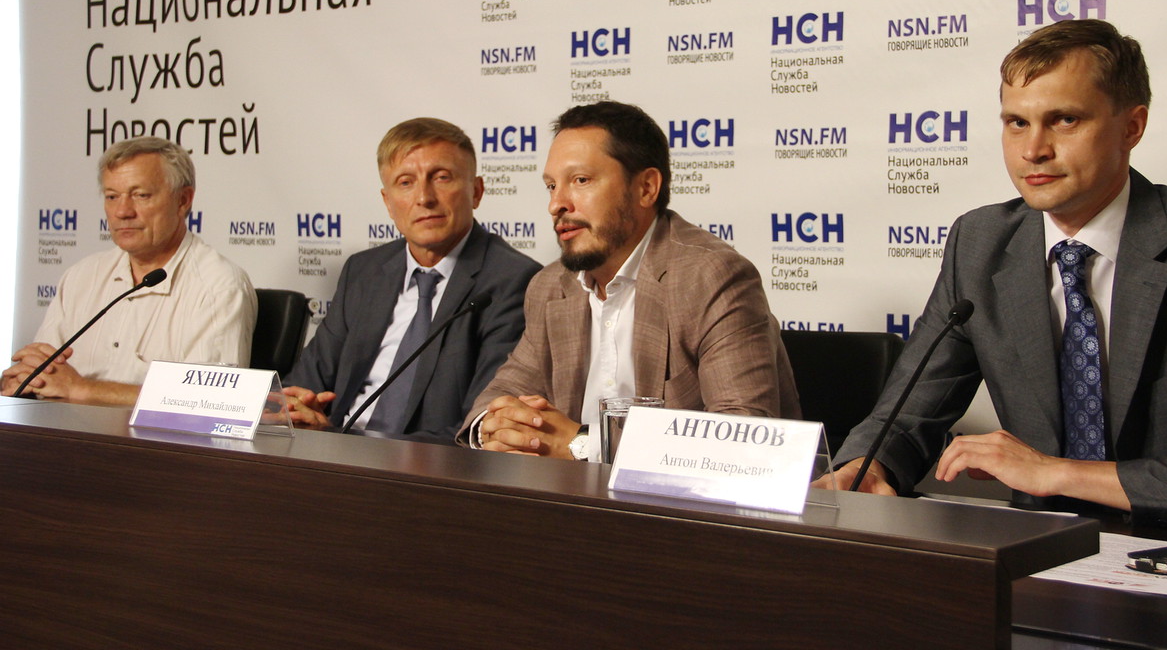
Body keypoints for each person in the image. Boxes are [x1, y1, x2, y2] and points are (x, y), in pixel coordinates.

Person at [823, 19, 1167, 532]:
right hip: (1041, 552)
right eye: (1017, 122)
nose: (1033, 150)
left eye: (1064, 120)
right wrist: (866, 468)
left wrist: (1058, 474)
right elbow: (907, 416)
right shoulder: (980, 244)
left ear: (1132, 127)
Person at [462, 100, 801, 461]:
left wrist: (581, 444)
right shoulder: (551, 287)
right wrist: (495, 428)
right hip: (570, 495)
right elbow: (500, 395)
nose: (556, 204)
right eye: (551, 186)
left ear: (646, 188)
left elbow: (743, 441)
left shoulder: (711, 278)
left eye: (580, 181)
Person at [284, 118, 540, 442]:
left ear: (476, 191)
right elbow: (303, 384)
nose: (424, 198)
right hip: (329, 452)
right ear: (388, 202)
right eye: (405, 182)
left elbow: (480, 429)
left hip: (426, 466)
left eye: (442, 177)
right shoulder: (363, 271)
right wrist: (297, 409)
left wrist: (338, 441)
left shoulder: (514, 281)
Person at [2, 137, 256, 404]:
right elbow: (42, 375)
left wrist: (82, 389)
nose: (122, 211)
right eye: (112, 196)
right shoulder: (81, 277)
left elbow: (211, 401)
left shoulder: (218, 286)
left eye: (140, 195)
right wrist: (21, 381)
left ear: (183, 200)